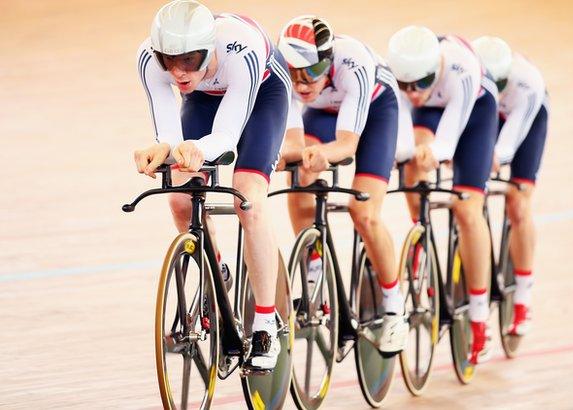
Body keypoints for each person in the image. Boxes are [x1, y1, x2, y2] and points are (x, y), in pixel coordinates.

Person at [132, 0, 292, 371]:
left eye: (189, 59)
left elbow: (225, 136)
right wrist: (163, 151)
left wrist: (195, 149)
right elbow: (169, 134)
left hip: (262, 95)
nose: (177, 71)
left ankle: (265, 323)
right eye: (168, 61)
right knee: (179, 198)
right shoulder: (148, 58)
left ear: (210, 48)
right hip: (204, 98)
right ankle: (215, 268)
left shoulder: (242, 48)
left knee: (248, 198)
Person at [277, 15, 414, 354]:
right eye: (295, 74)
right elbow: (294, 146)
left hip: (375, 113)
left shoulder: (353, 63)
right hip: (324, 114)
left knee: (364, 213)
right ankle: (314, 270)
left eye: (311, 72)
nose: (302, 83)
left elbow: (347, 146)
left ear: (329, 61)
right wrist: (284, 157)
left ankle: (395, 307)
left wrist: (324, 154)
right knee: (300, 173)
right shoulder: (290, 78)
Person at [387, 26, 499, 363]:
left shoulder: (460, 68)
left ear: (435, 68)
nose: (413, 92)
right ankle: (421, 238)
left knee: (467, 210)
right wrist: (409, 153)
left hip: (475, 110)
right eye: (405, 85)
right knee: (412, 164)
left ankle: (480, 319)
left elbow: (447, 143)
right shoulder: (406, 85)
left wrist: (433, 152)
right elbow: (404, 133)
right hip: (432, 112)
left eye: (419, 83)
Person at [473, 36, 549, 336]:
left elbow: (505, 149)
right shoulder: (473, 80)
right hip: (487, 113)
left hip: (525, 119)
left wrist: (487, 158)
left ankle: (522, 299)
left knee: (518, 204)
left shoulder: (527, 83)